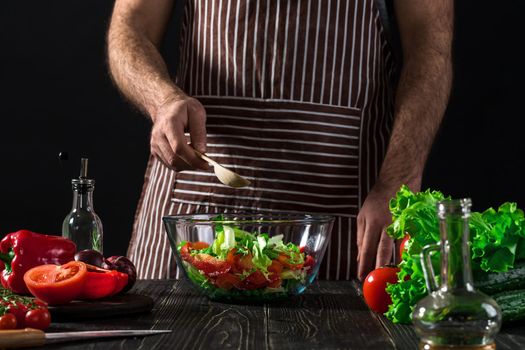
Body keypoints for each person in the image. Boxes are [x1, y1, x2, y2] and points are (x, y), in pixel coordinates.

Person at [107, 0, 453, 281]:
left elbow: (430, 51)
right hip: (198, 195)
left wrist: (397, 182)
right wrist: (162, 99)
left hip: (343, 207)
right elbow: (132, 26)